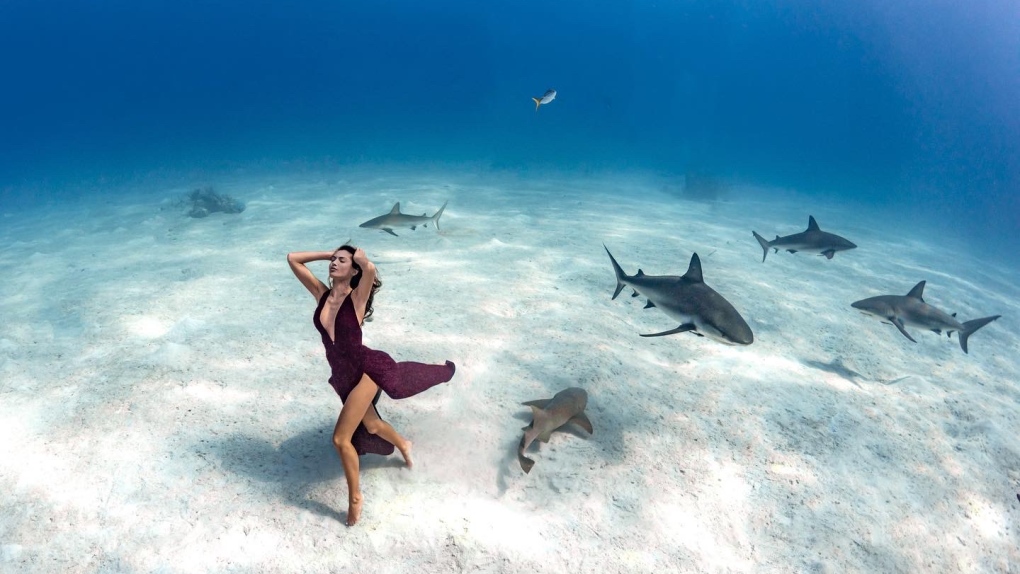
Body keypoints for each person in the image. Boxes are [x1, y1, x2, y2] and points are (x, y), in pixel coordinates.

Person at [287, 245, 456, 526]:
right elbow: (293, 259)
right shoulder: (321, 294)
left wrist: (362, 261)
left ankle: (355, 498)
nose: (334, 263)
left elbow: (370, 270)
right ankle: (403, 444)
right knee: (373, 425)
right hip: (342, 376)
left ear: (353, 269)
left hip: (365, 371)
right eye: (333, 260)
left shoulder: (357, 298)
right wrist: (330, 253)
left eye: (341, 261)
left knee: (341, 439)